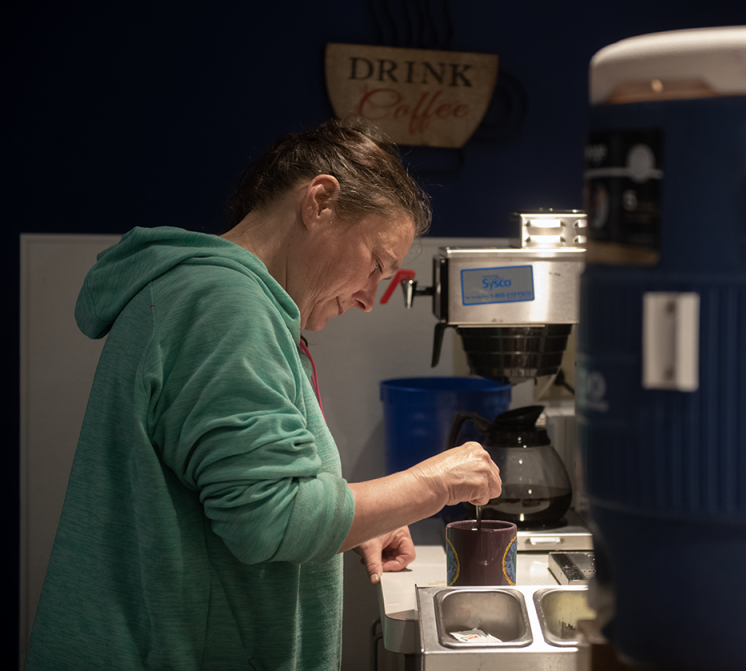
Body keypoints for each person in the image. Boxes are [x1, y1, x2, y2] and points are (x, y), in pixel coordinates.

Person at [26, 118, 502, 671]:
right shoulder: (223, 304)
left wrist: (358, 522)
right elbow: (273, 519)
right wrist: (436, 482)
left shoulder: (207, 294)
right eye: (377, 265)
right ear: (320, 201)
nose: (371, 298)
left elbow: (238, 492)